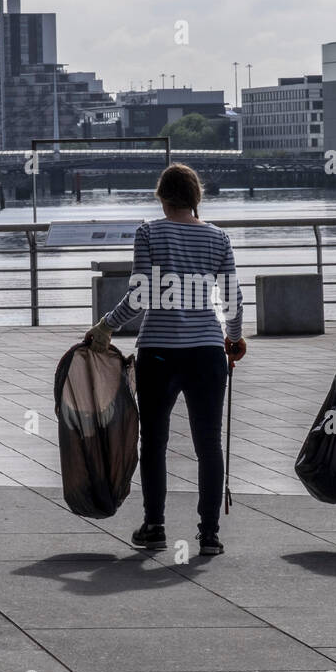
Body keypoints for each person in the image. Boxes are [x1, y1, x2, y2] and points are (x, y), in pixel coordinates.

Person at [85, 164, 245, 556]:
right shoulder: (219, 238)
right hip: (207, 351)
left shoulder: (149, 233)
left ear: (161, 196)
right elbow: (233, 298)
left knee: (154, 442)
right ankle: (209, 535)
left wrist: (105, 326)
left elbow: (139, 295)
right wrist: (235, 339)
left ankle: (154, 526)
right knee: (209, 444)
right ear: (196, 197)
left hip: (159, 351)